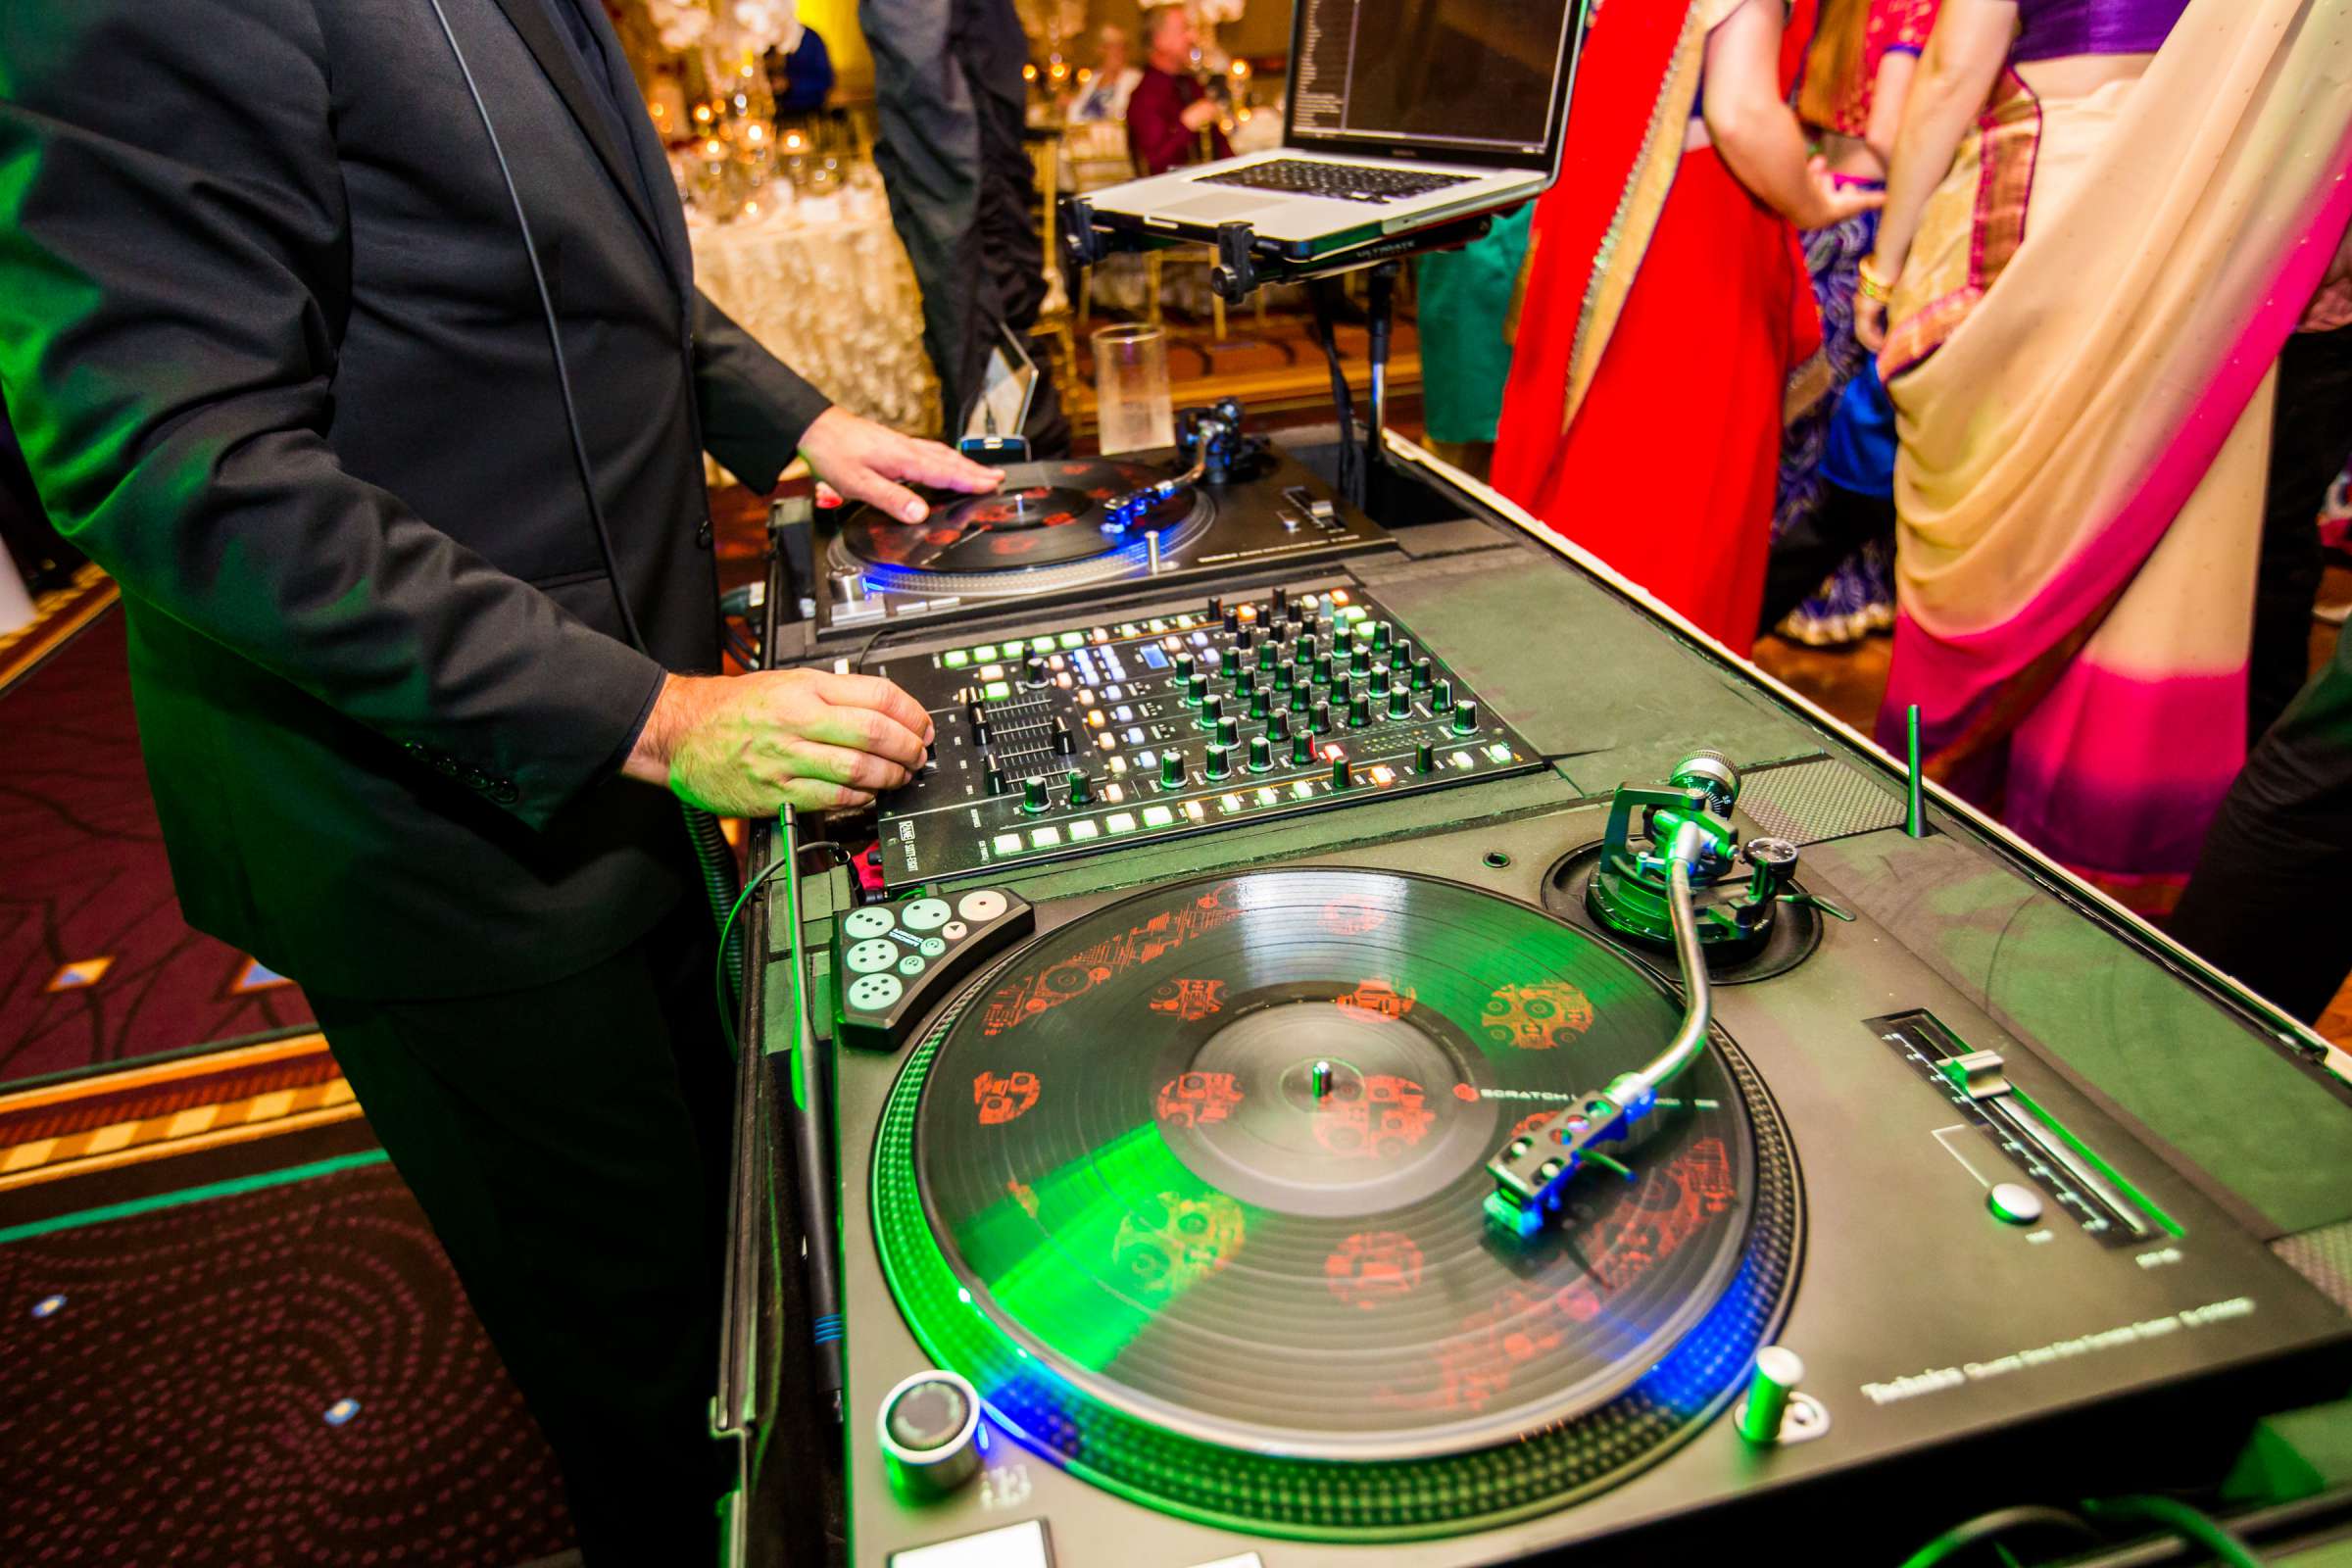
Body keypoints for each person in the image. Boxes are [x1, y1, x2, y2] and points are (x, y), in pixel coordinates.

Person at [0, 0, 1001, 1559]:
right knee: (647, 1368)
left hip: (625, 748)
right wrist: (654, 719)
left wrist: (795, 421)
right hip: (423, 828)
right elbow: (175, 465)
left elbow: (576, 270)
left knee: (738, 1247)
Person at [1853, 0, 2352, 913]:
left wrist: (1884, 266)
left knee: (2011, 535)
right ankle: (2112, 864)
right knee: (2159, 550)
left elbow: (1955, 67)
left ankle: (1941, 846)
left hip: (2056, 202)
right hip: (2208, 218)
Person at [1492, 0, 1876, 651]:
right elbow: (1741, 112)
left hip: (1612, 217)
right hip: (1691, 236)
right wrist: (1812, 201)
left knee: (1594, 493)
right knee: (1673, 522)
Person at [1757, 0, 1939, 644]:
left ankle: (1772, 582)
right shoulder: (1915, 8)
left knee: (1805, 413)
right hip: (1868, 217)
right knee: (1849, 418)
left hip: (1817, 205)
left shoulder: (1844, 7)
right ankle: (1829, 597)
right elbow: (1890, 131)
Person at [1126, 5, 1231, 176]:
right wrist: (1186, 125)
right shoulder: (1145, 97)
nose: (1193, 36)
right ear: (1159, 40)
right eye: (1184, 29)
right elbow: (1157, 164)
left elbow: (1220, 149)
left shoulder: (1189, 83)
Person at [1069, 24, 1144, 123]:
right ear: (1100, 49)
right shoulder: (1093, 79)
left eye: (1122, 46)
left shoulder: (1134, 79)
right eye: (1112, 46)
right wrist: (1070, 103)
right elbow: (1076, 112)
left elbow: (1125, 115)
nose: (1117, 51)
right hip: (1082, 134)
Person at [766, 23, 836, 116]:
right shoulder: (766, 41)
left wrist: (789, 83)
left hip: (808, 111)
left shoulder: (809, 39)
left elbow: (825, 81)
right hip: (776, 111)